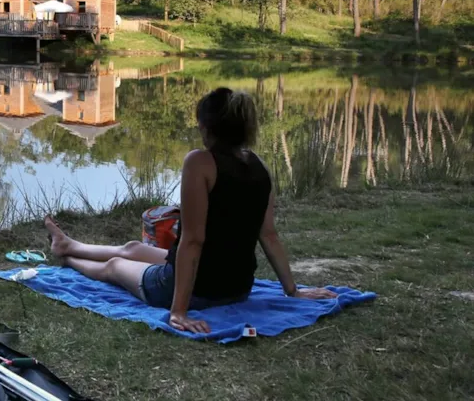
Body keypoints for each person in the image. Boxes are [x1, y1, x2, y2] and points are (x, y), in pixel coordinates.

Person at [44, 87, 337, 334]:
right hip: (237, 287)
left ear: (208, 127)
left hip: (198, 290)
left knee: (114, 267)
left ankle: (69, 260)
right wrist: (292, 290)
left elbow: (193, 240)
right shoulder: (257, 165)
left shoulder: (199, 162)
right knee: (133, 248)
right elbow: (269, 235)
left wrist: (179, 311)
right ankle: (69, 245)